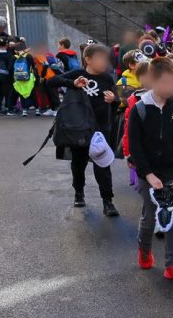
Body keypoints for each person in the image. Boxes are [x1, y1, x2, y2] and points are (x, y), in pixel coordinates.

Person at [128, 57, 173, 283]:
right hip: (148, 174)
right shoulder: (139, 109)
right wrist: (147, 174)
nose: (171, 87)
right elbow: (135, 147)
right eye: (166, 82)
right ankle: (144, 250)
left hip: (172, 172)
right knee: (150, 217)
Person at [47, 43, 119, 215]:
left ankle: (107, 201)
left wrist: (114, 100)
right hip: (79, 128)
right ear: (88, 59)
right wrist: (73, 83)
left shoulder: (108, 78)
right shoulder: (79, 74)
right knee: (78, 164)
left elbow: (116, 103)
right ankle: (79, 192)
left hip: (101, 128)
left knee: (103, 165)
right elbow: (52, 81)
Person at [0, 38, 15, 115]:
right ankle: (9, 110)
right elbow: (11, 66)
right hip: (6, 76)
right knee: (8, 93)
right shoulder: (8, 54)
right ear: (6, 45)